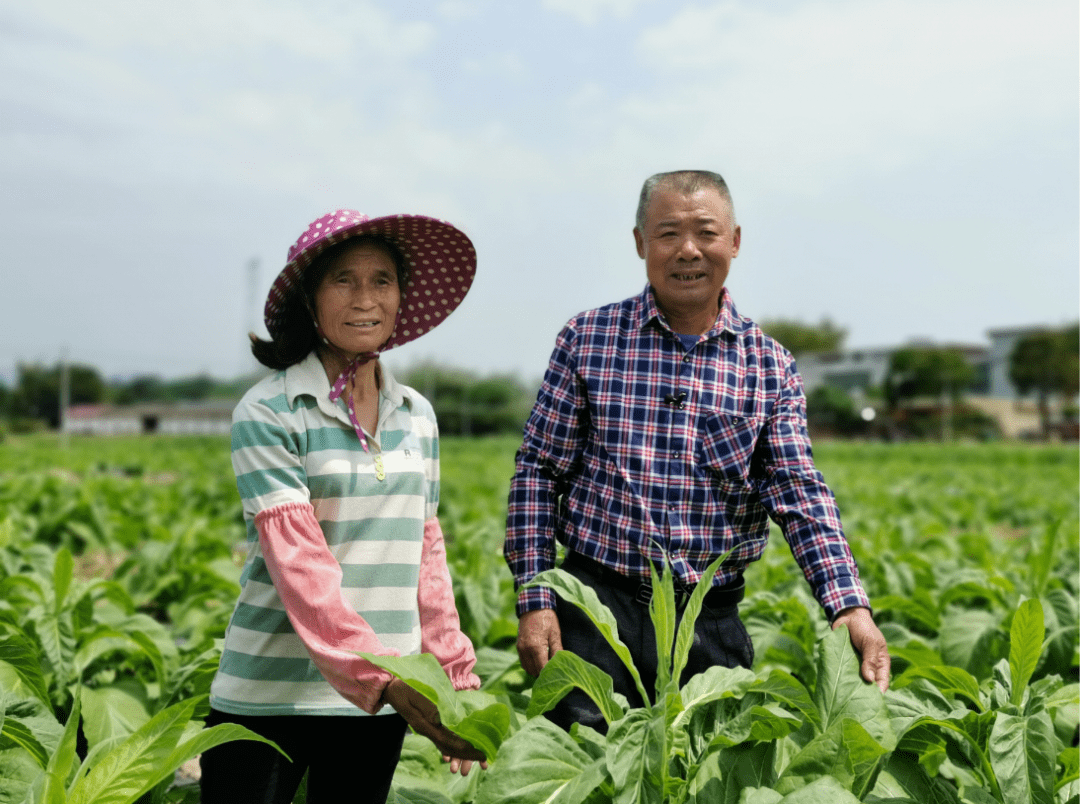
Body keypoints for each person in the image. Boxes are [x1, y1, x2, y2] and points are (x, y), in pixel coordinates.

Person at [504, 170, 890, 733]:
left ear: (734, 241)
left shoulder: (768, 365)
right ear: (640, 243)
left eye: (705, 232)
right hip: (593, 612)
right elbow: (539, 470)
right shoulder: (588, 339)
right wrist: (535, 596)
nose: (688, 250)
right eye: (668, 234)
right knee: (584, 772)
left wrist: (849, 605)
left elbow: (798, 492)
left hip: (708, 623)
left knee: (708, 778)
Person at [200, 209, 485, 804]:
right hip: (269, 696)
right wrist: (385, 678)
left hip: (379, 706)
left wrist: (453, 674)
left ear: (402, 297)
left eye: (382, 280)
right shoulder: (271, 411)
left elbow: (424, 553)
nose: (365, 298)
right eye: (342, 280)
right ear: (310, 299)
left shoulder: (417, 415)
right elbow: (299, 563)